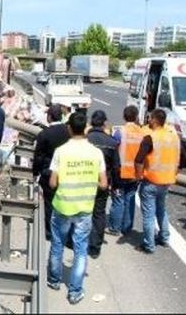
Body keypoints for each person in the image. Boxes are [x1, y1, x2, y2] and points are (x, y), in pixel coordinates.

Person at [46, 112, 108, 305]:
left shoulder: (61, 151)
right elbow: (104, 184)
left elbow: (53, 183)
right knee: (80, 250)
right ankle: (75, 292)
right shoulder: (96, 152)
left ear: (70, 128)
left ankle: (54, 280)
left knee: (57, 244)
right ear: (86, 128)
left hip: (63, 206)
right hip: (84, 208)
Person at [134, 109, 182, 254]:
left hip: (151, 181)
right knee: (161, 210)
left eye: (150, 118)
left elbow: (138, 160)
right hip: (166, 181)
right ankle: (164, 238)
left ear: (155, 120)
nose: (148, 120)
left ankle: (149, 245)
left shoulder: (150, 138)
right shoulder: (173, 137)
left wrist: (138, 176)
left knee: (148, 214)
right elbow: (183, 157)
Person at [33, 104, 70, 240]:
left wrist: (35, 172)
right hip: (66, 173)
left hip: (48, 173)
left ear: (49, 117)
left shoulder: (44, 134)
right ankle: (64, 229)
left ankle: (49, 231)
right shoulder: (68, 132)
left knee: (49, 203)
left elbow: (38, 156)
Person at [85, 110, 120, 259]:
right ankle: (95, 247)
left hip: (84, 181)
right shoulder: (112, 142)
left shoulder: (85, 139)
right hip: (102, 183)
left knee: (83, 212)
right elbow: (117, 166)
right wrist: (115, 185)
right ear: (104, 123)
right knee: (99, 214)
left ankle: (79, 241)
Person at [108, 105, 144, 236]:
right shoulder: (142, 133)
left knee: (118, 200)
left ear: (124, 116)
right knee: (130, 199)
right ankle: (127, 228)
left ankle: (114, 228)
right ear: (136, 117)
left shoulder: (120, 132)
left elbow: (113, 149)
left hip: (120, 172)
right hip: (135, 173)